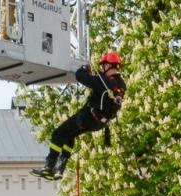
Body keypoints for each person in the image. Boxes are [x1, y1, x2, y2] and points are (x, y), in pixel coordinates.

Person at [32, 51, 126, 180]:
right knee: (69, 135)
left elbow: (80, 76)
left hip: (89, 117)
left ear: (108, 65)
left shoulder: (103, 81)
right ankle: (59, 169)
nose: (102, 68)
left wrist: (84, 68)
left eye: (104, 65)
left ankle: (49, 167)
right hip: (100, 123)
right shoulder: (121, 84)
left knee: (58, 134)